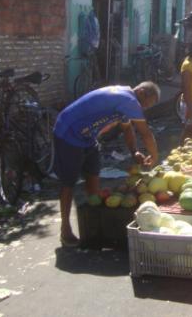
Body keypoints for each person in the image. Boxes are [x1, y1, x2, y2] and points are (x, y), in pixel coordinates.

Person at [53, 82, 160, 247]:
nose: (143, 109)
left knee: (93, 174)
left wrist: (134, 152)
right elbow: (145, 132)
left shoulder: (125, 103)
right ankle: (65, 229)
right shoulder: (128, 99)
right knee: (68, 182)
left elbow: (127, 128)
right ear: (141, 91)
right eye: (145, 104)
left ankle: (93, 224)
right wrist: (154, 155)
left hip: (88, 137)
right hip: (68, 132)